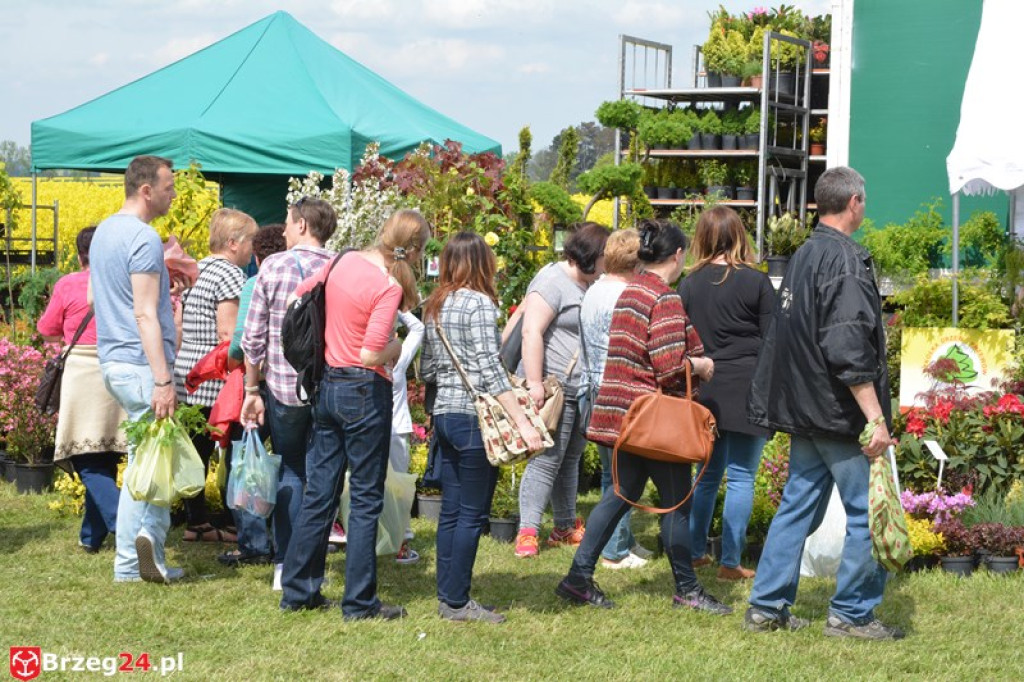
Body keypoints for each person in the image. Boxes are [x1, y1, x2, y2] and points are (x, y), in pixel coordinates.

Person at [745, 167, 902, 640]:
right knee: (865, 510)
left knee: (797, 503)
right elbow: (848, 347)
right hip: (839, 414)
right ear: (854, 202)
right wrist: (875, 418)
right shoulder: (847, 262)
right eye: (865, 201)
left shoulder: (803, 254)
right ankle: (852, 613)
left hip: (805, 408)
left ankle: (766, 606)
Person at [555, 219, 730, 615]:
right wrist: (700, 365)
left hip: (624, 416)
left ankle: (578, 578)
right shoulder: (663, 298)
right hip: (653, 418)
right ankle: (687, 589)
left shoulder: (630, 291)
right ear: (679, 255)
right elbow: (669, 367)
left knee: (620, 494)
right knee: (675, 504)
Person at [275, 208, 430, 619]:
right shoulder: (386, 287)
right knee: (364, 499)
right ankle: (359, 602)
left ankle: (298, 591)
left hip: (327, 386)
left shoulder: (341, 260)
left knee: (319, 492)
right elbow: (371, 352)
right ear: (414, 251)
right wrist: (397, 349)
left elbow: (299, 296)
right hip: (364, 390)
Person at [421, 232, 544, 624]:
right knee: (472, 514)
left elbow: (425, 369)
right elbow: (492, 372)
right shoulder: (479, 304)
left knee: (452, 513)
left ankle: (448, 596)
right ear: (482, 263)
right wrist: (523, 421)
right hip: (476, 419)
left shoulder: (434, 304)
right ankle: (457, 602)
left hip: (445, 415)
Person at [89, 154, 180, 584]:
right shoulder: (143, 238)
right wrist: (163, 379)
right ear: (146, 190)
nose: (173, 193)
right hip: (142, 365)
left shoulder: (105, 230)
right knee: (149, 465)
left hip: (113, 360)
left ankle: (148, 553)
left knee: (147, 460)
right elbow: (144, 314)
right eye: (168, 186)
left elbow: (99, 301)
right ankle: (132, 559)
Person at [240, 199, 336, 591]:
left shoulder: (273, 267)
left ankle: (285, 564)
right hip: (329, 385)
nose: (282, 231)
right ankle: (311, 561)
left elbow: (253, 339)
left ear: (301, 225)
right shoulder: (340, 267)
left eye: (286, 223)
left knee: (292, 470)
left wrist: (251, 389)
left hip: (282, 388)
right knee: (323, 476)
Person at [679, 206, 774, 580]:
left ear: (701, 238)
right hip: (749, 387)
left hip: (706, 389)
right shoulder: (756, 282)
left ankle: (696, 551)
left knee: (706, 473)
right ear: (739, 236)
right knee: (741, 477)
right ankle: (730, 562)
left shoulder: (689, 283)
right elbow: (772, 341)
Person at [511, 222, 610, 558]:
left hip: (578, 387)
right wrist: (535, 384)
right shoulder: (553, 281)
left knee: (571, 460)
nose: (606, 266)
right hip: (553, 385)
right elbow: (532, 332)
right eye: (603, 258)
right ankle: (527, 531)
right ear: (588, 256)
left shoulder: (587, 285)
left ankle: (565, 526)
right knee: (546, 458)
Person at [38, 226, 128, 553]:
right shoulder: (123, 282)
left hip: (82, 374)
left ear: (80, 255)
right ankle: (91, 537)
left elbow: (46, 329)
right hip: (117, 369)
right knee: (104, 456)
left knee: (85, 458)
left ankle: (125, 526)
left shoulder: (68, 284)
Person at [173, 208, 258, 545]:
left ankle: (197, 519)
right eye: (250, 241)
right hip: (214, 376)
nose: (252, 249)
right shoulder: (230, 275)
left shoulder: (199, 267)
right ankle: (229, 520)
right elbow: (228, 334)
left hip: (188, 370)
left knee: (195, 449)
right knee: (230, 448)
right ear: (234, 242)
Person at [577, 228, 651, 569]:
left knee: (614, 473)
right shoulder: (628, 294)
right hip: (616, 393)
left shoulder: (593, 290)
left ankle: (623, 540)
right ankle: (615, 550)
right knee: (622, 478)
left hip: (590, 389)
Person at [217, 223, 287, 568]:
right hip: (295, 388)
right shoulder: (303, 280)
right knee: (291, 464)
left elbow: (241, 340)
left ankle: (254, 543)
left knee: (245, 462)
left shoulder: (253, 284)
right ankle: (287, 539)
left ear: (258, 257)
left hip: (258, 387)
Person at [389, 309, 425, 564]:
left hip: (369, 429)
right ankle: (401, 542)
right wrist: (399, 310)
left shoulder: (364, 358)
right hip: (396, 429)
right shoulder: (398, 357)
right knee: (399, 488)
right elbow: (419, 328)